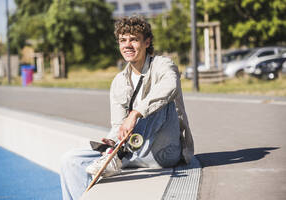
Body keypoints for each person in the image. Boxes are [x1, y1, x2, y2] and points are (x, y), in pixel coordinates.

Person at [60, 16, 194, 200]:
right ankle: (112, 157)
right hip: (133, 153)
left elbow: (170, 86)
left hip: (164, 152)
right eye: (123, 40)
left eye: (133, 39)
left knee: (162, 104)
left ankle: (115, 157)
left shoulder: (163, 65)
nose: (127, 45)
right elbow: (117, 125)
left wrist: (136, 113)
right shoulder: (118, 82)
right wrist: (111, 141)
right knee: (70, 160)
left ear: (147, 42)